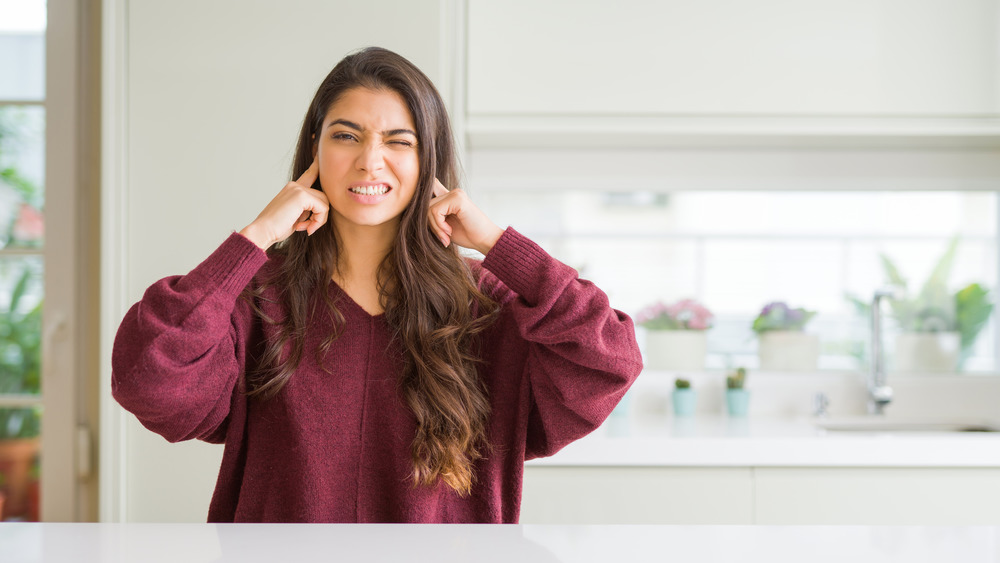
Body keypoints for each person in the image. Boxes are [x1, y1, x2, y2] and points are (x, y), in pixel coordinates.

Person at [111, 46, 643, 523]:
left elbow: (609, 360)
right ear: (315, 150)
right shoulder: (256, 302)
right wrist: (256, 237)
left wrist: (499, 244)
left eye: (398, 141)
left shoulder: (487, 305)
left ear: (427, 160)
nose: (370, 160)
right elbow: (147, 376)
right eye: (346, 136)